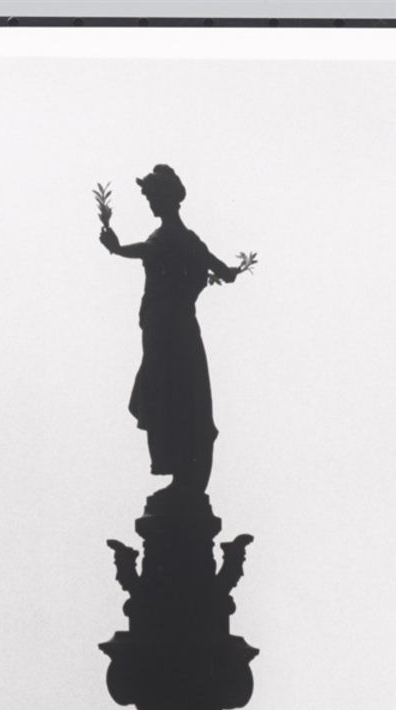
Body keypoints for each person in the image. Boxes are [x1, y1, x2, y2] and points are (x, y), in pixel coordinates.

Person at [99, 164, 243, 494]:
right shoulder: (191, 241)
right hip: (176, 330)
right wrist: (229, 271)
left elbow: (146, 251)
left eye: (151, 197)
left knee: (167, 394)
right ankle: (183, 477)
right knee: (180, 396)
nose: (149, 204)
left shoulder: (169, 237)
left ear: (166, 198)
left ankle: (181, 474)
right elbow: (223, 270)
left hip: (166, 332)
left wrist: (116, 247)